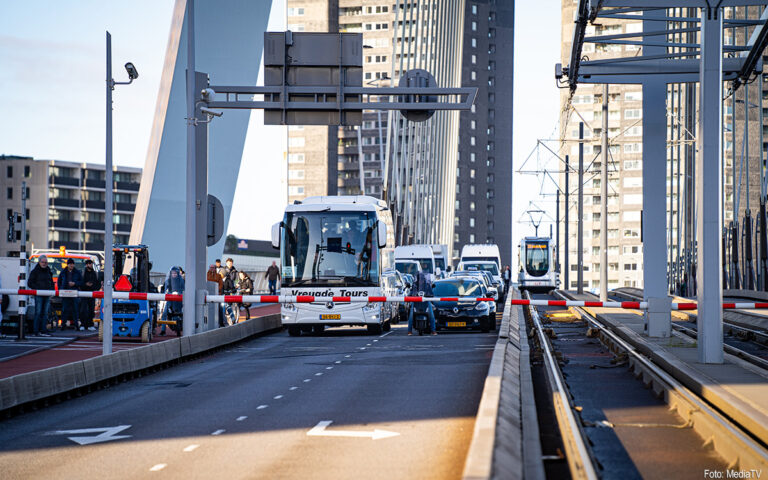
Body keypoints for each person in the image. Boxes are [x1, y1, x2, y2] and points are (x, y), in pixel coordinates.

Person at [29, 255, 55, 336]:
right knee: (38, 312)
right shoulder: (35, 271)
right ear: (39, 262)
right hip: (39, 294)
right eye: (43, 262)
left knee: (45, 313)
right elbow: (30, 283)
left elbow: (51, 281)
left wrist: (52, 291)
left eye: (46, 262)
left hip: (47, 294)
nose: (44, 264)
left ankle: (43, 330)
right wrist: (38, 289)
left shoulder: (48, 271)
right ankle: (36, 331)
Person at [408, 270, 437, 336]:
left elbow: (431, 292)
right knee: (411, 315)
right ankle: (409, 330)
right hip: (416, 302)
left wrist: (431, 295)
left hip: (426, 301)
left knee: (431, 315)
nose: (421, 280)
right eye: (420, 278)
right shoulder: (415, 285)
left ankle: (433, 330)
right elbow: (411, 292)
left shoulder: (427, 286)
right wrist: (410, 295)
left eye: (422, 278)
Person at [58, 259, 83, 330]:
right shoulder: (63, 272)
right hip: (65, 293)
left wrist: (75, 283)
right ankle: (63, 325)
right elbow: (59, 282)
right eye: (70, 264)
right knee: (64, 309)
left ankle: (76, 325)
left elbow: (81, 282)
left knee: (75, 309)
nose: (71, 265)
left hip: (74, 293)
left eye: (72, 264)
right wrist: (61, 289)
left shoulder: (77, 272)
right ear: (67, 264)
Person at [161, 266, 184, 335]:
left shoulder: (181, 280)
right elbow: (165, 288)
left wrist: (180, 293)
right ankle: (163, 330)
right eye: (173, 273)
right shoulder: (168, 281)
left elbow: (184, 289)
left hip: (179, 299)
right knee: (164, 313)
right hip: (170, 299)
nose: (174, 274)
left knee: (185, 312)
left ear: (178, 273)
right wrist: (167, 292)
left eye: (175, 273)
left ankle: (185, 327)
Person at [78, 259, 100, 331]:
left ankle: (90, 324)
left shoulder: (95, 274)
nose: (89, 265)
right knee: (83, 310)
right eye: (88, 264)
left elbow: (98, 283)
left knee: (91, 310)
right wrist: (85, 285)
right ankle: (83, 324)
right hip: (84, 293)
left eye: (90, 264)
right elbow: (80, 283)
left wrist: (93, 287)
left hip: (92, 294)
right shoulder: (82, 273)